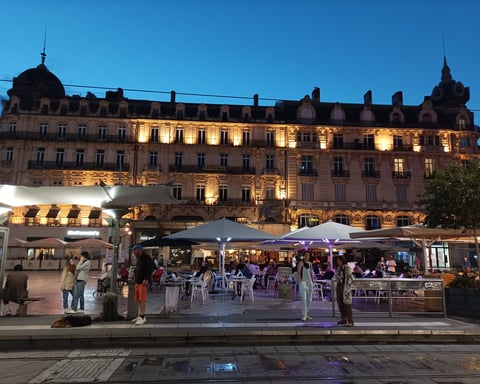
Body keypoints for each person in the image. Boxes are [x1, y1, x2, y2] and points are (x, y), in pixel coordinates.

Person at [131, 244, 155, 325]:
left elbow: (150, 268)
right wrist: (134, 273)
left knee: (143, 299)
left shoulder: (146, 257)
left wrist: (147, 278)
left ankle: (142, 316)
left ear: (139, 250)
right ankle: (140, 315)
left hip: (143, 282)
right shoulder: (138, 258)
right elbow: (138, 267)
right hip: (138, 281)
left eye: (135, 251)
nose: (133, 252)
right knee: (138, 299)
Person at [335, 255, 354, 327]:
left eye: (339, 261)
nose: (338, 262)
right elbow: (337, 277)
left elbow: (350, 278)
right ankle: (343, 319)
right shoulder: (338, 268)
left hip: (346, 287)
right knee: (340, 303)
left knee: (347, 304)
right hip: (339, 286)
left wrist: (348, 287)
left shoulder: (347, 268)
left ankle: (350, 320)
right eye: (337, 261)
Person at [296, 252, 314, 321]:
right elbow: (298, 273)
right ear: (304, 256)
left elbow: (310, 273)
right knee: (304, 298)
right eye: (306, 255)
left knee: (309, 299)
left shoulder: (310, 264)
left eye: (308, 255)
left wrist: (312, 280)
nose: (307, 256)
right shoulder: (301, 263)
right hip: (303, 282)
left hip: (309, 282)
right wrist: (300, 281)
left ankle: (307, 313)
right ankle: (304, 314)